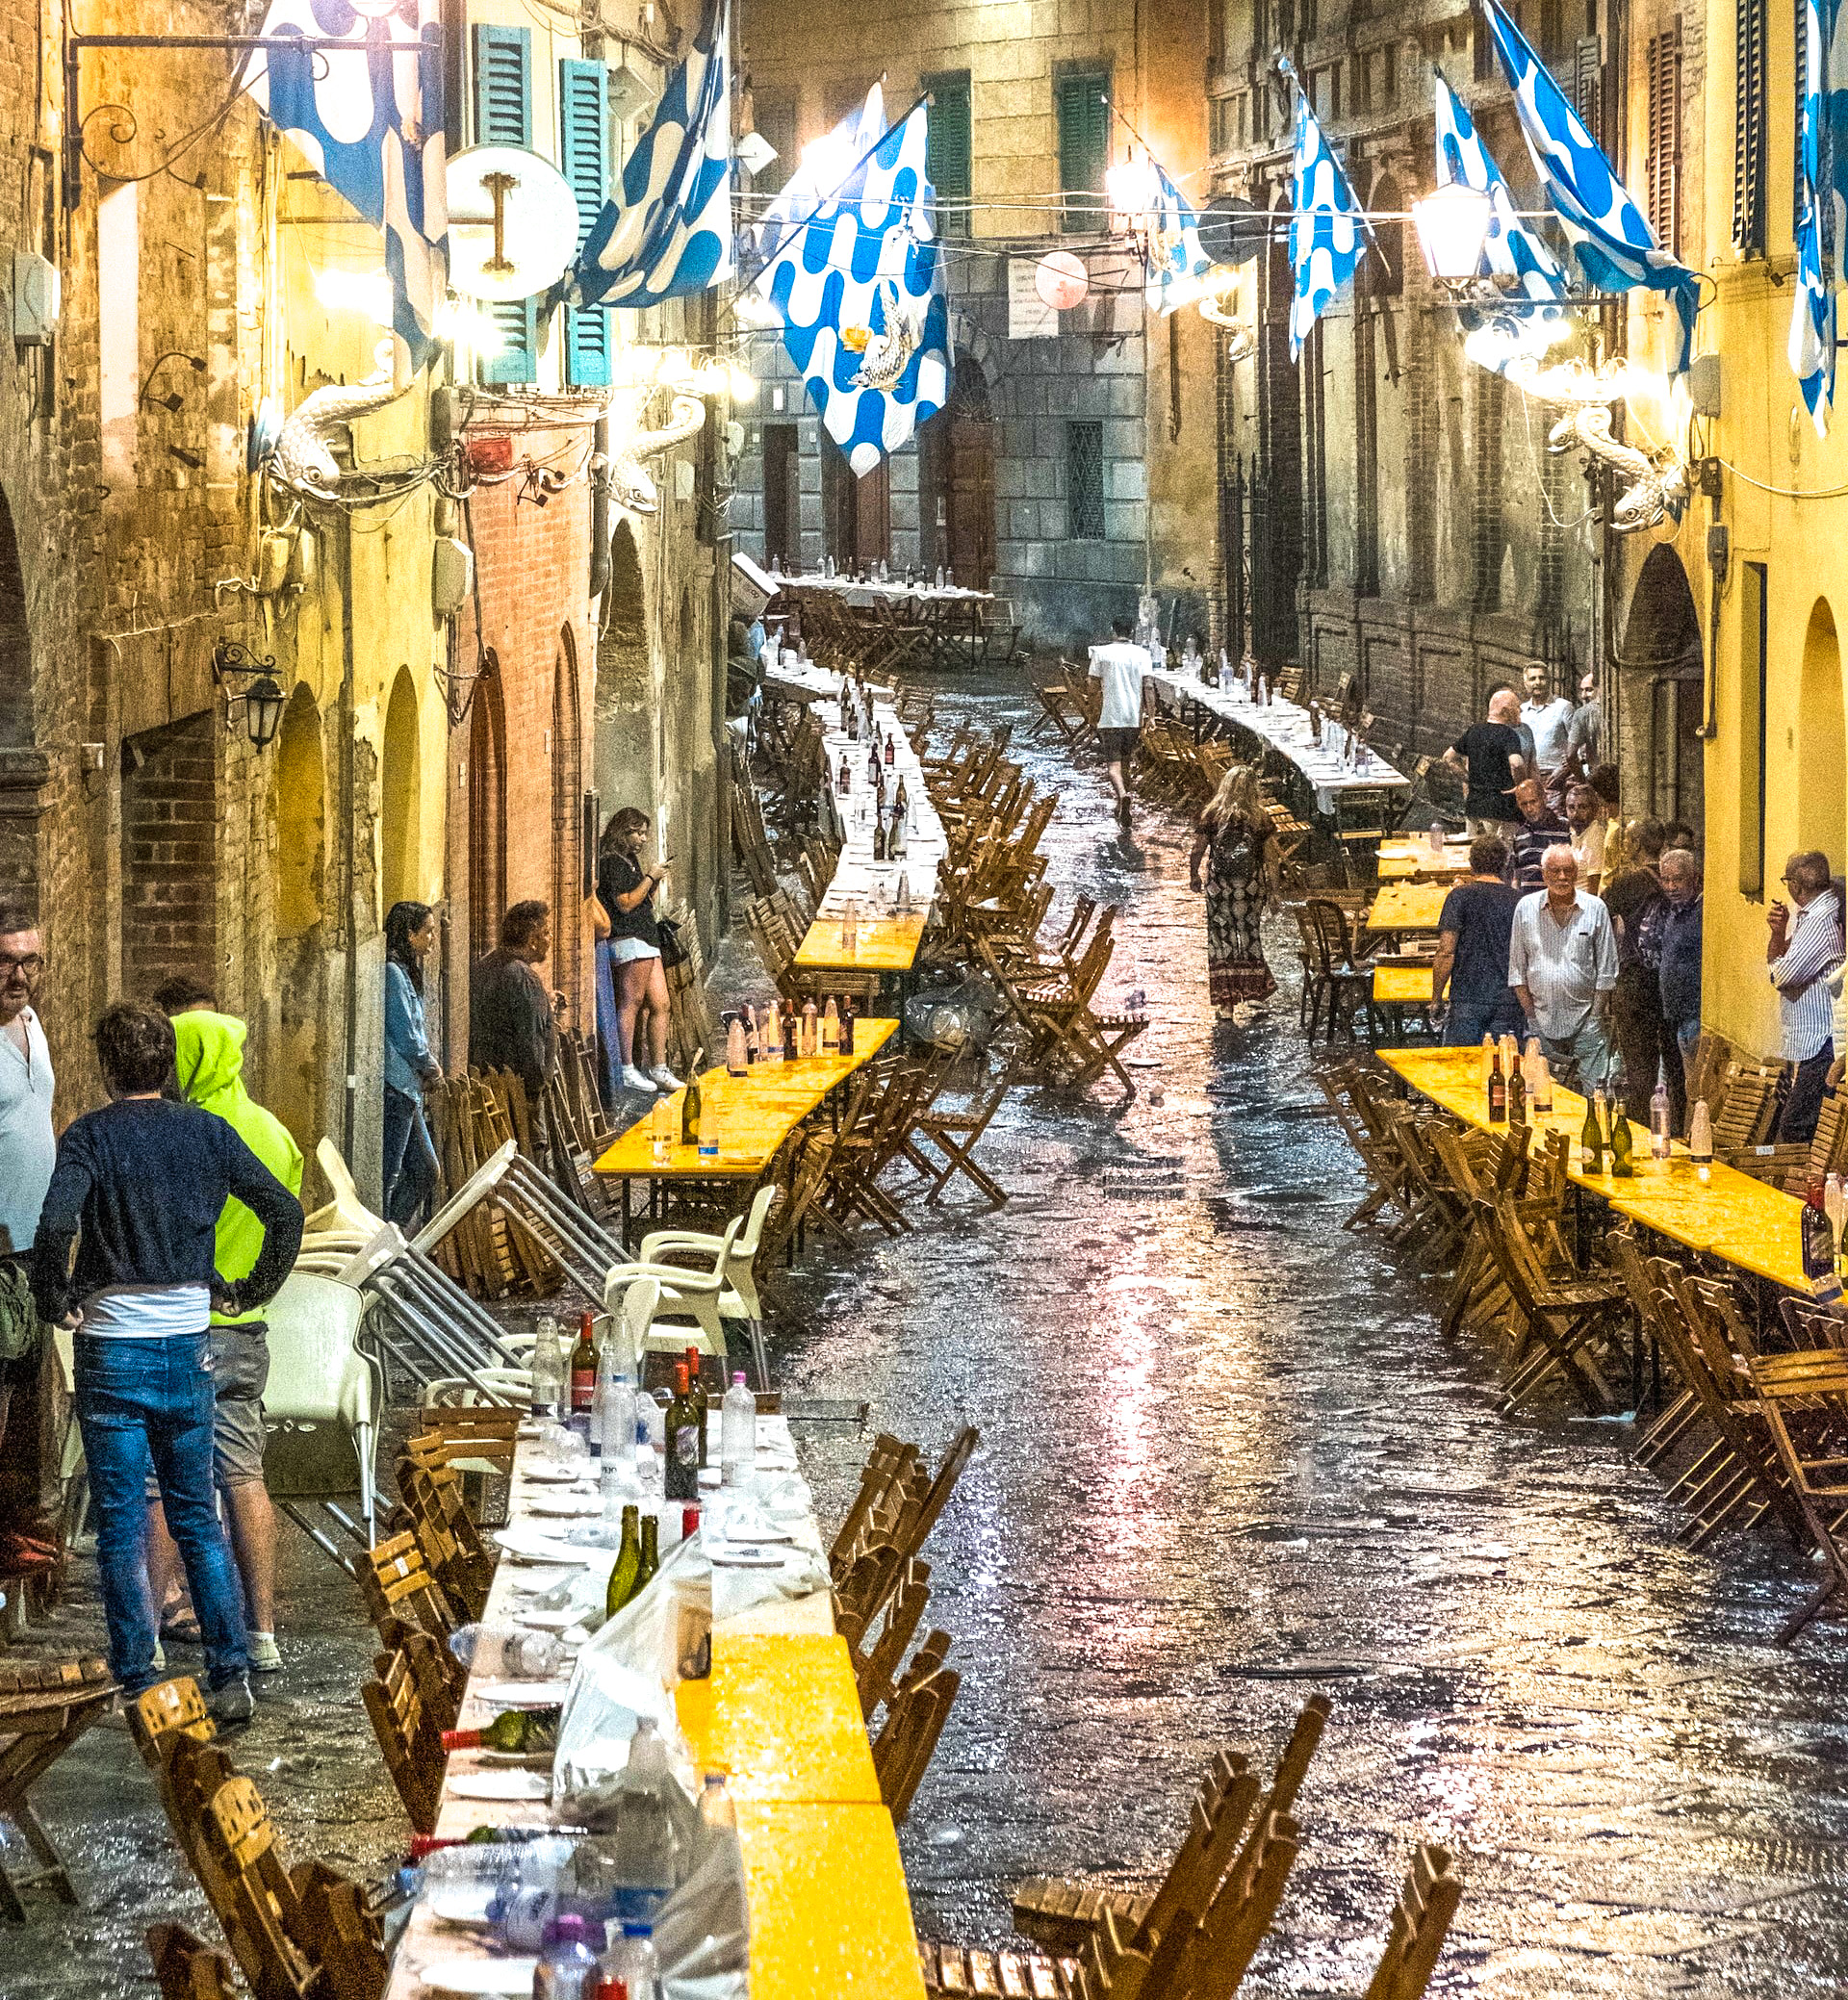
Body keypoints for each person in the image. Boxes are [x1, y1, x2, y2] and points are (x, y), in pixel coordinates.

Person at [30, 1003, 302, 1716]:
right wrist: (251, 1289)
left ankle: (138, 1676)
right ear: (168, 1065)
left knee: (122, 1521)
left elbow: (55, 1224)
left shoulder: (90, 1135)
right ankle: (230, 1671)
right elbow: (284, 1211)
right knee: (196, 1517)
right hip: (188, 1343)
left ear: (106, 1066)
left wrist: (54, 1298)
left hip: (112, 1347)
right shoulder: (208, 1132)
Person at [142, 1008, 303, 1677]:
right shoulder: (273, 1132)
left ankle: (147, 1635)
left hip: (179, 1325)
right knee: (244, 1476)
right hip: (242, 1328)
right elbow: (286, 1216)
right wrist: (250, 1290)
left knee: (159, 1483)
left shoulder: (176, 1136)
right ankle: (261, 1632)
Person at [0, 906, 59, 1582]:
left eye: (29, 961)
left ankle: (13, 1524)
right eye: (5, 961)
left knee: (24, 1392)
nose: (19, 975)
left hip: (35, 1247)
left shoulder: (33, 1024)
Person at [1508, 845, 1619, 1089]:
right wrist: (1532, 1018)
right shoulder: (1525, 908)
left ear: (1576, 872)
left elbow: (1607, 971)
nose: (1562, 877)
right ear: (1543, 874)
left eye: (1568, 870)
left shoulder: (1596, 908)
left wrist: (1595, 1018)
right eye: (1554, 871)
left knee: (1596, 1094)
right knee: (1544, 1095)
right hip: (1541, 1023)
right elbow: (1517, 972)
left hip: (1587, 1024)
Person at [598, 811, 684, 1095]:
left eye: (645, 833)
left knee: (661, 1003)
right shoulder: (611, 863)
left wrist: (653, 882)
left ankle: (659, 1067)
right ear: (623, 832)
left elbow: (643, 901)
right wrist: (649, 877)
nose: (643, 839)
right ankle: (625, 1068)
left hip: (645, 936)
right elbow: (625, 903)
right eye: (638, 833)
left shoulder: (629, 860)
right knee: (631, 1002)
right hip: (629, 938)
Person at [1187, 764, 1282, 1018]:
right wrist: (1274, 891)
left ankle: (1226, 1004)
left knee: (1221, 940)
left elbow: (1198, 849)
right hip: (1250, 887)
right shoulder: (1259, 817)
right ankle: (1255, 994)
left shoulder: (1212, 814)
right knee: (1249, 936)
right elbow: (1271, 858)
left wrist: (1194, 875)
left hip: (1219, 887)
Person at [1767, 850, 1843, 1141]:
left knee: (1796, 1126)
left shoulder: (1820, 920)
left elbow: (1781, 976)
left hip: (1823, 1040)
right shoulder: (1811, 915)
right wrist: (1778, 933)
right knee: (1803, 1124)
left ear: (1796, 885)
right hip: (1816, 1041)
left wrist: (1777, 947)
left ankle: (1807, 1172)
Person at [470, 901, 560, 1139]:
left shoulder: (485, 965)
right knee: (530, 1147)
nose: (550, 938)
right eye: (546, 932)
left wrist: (544, 1002)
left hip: (488, 1081)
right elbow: (530, 1040)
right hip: (517, 1088)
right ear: (532, 939)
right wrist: (536, 1089)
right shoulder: (522, 976)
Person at [1601, 820, 1670, 1125]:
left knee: (1639, 1060)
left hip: (1635, 979)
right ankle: (1671, 1121)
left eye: (1628, 840)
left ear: (1637, 845)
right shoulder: (1674, 879)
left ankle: (1641, 1122)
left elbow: (1601, 914)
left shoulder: (1628, 884)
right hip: (1668, 980)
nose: (1625, 846)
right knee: (1672, 1059)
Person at [1431, 835, 1526, 1045]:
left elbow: (1446, 952)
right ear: (1505, 864)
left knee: (1462, 1061)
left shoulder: (1459, 897)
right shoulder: (1519, 901)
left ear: (1471, 864)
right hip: (1508, 1000)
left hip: (1467, 998)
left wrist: (1436, 998)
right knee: (1504, 1061)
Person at [383, 901, 442, 1225]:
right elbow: (405, 1033)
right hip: (397, 1086)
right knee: (390, 1176)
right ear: (409, 933)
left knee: (425, 1169)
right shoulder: (393, 973)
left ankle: (393, 1235)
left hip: (409, 1089)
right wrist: (430, 1066)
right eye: (428, 931)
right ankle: (384, 1239)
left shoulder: (405, 972)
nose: (432, 938)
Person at [1648, 847, 1703, 1128]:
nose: (1670, 887)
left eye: (1677, 880)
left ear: (1695, 878)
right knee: (1682, 1085)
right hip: (1676, 1017)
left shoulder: (1702, 913)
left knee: (1696, 1089)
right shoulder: (1673, 912)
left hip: (1695, 1015)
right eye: (1666, 879)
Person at [1088, 614, 1151, 829]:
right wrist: (1151, 715)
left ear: (1113, 630)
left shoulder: (1100, 653)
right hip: (1133, 718)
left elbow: (1092, 687)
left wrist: (1093, 712)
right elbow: (1148, 686)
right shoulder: (1143, 654)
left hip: (1110, 717)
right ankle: (1121, 805)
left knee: (1113, 766)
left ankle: (1122, 795)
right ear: (1131, 631)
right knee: (1126, 762)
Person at [1444, 689, 1527, 835]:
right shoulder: (1509, 734)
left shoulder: (1474, 730)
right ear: (1505, 711)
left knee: (1474, 848)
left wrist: (1469, 779)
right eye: (1517, 707)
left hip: (1474, 808)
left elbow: (1448, 758)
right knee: (1500, 849)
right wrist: (1520, 786)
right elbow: (1517, 763)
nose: (1520, 711)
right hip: (1501, 810)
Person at [1519, 661, 1575, 783]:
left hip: (1557, 777)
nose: (1537, 682)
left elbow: (1577, 744)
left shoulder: (1563, 707)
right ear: (1525, 684)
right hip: (1528, 778)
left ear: (1549, 681)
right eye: (1532, 679)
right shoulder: (1521, 711)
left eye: (1542, 678)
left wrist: (1564, 769)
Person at [1509, 778, 1568, 891]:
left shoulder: (1564, 828)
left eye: (1533, 802)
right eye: (1524, 804)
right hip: (1527, 898)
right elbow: (1516, 877)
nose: (1529, 809)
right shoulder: (1520, 835)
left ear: (1544, 798)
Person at [1564, 782, 1607, 894]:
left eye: (1582, 807)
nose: (1575, 814)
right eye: (1571, 808)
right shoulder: (1573, 834)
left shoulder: (1595, 835)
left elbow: (1594, 886)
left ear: (1594, 810)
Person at [1564, 670, 1603, 782]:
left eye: (1589, 690)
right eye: (1582, 690)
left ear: (1602, 688)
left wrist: (1582, 780)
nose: (1583, 696)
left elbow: (1570, 755)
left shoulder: (1582, 713)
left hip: (1597, 778)